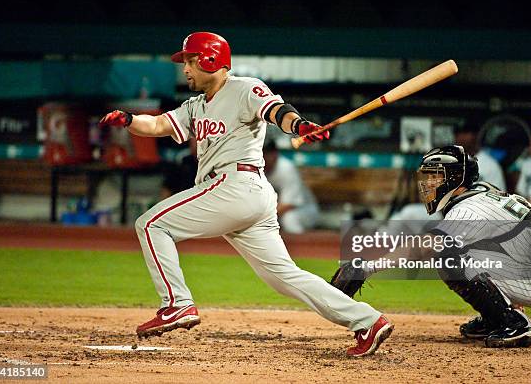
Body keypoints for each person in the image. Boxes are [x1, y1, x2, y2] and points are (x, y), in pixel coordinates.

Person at [100, 32, 392, 357]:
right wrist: (128, 119)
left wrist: (299, 126)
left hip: (236, 185)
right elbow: (155, 126)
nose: (185, 69)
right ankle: (367, 320)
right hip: (242, 195)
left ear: (211, 60)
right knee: (284, 277)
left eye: (190, 61)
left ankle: (177, 304)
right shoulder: (196, 105)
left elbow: (278, 111)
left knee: (151, 223)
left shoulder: (243, 88)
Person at [331, 145, 531, 348]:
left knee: (447, 255)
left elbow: (426, 246)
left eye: (435, 176)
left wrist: (368, 268)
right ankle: (495, 316)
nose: (428, 183)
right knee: (459, 249)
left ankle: (512, 322)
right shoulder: (483, 193)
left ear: (455, 178)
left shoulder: (468, 208)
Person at [263, 140, 319, 234]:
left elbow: (288, 204)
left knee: (289, 219)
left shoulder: (286, 168)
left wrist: (260, 217)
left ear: (274, 154)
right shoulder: (255, 167)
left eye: (266, 153)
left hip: (303, 210)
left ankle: (300, 246)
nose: (262, 157)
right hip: (273, 213)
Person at [455, 122, 506, 190]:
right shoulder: (450, 162)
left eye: (465, 133)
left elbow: (499, 196)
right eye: (458, 133)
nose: (460, 137)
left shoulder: (490, 165)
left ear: (475, 136)